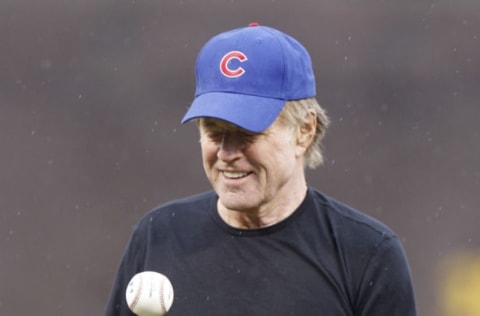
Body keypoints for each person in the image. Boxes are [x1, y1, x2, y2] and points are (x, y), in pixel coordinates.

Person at [105, 23, 417, 315]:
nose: (227, 153)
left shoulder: (367, 254)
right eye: (213, 131)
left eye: (247, 132)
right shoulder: (159, 236)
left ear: (304, 130)